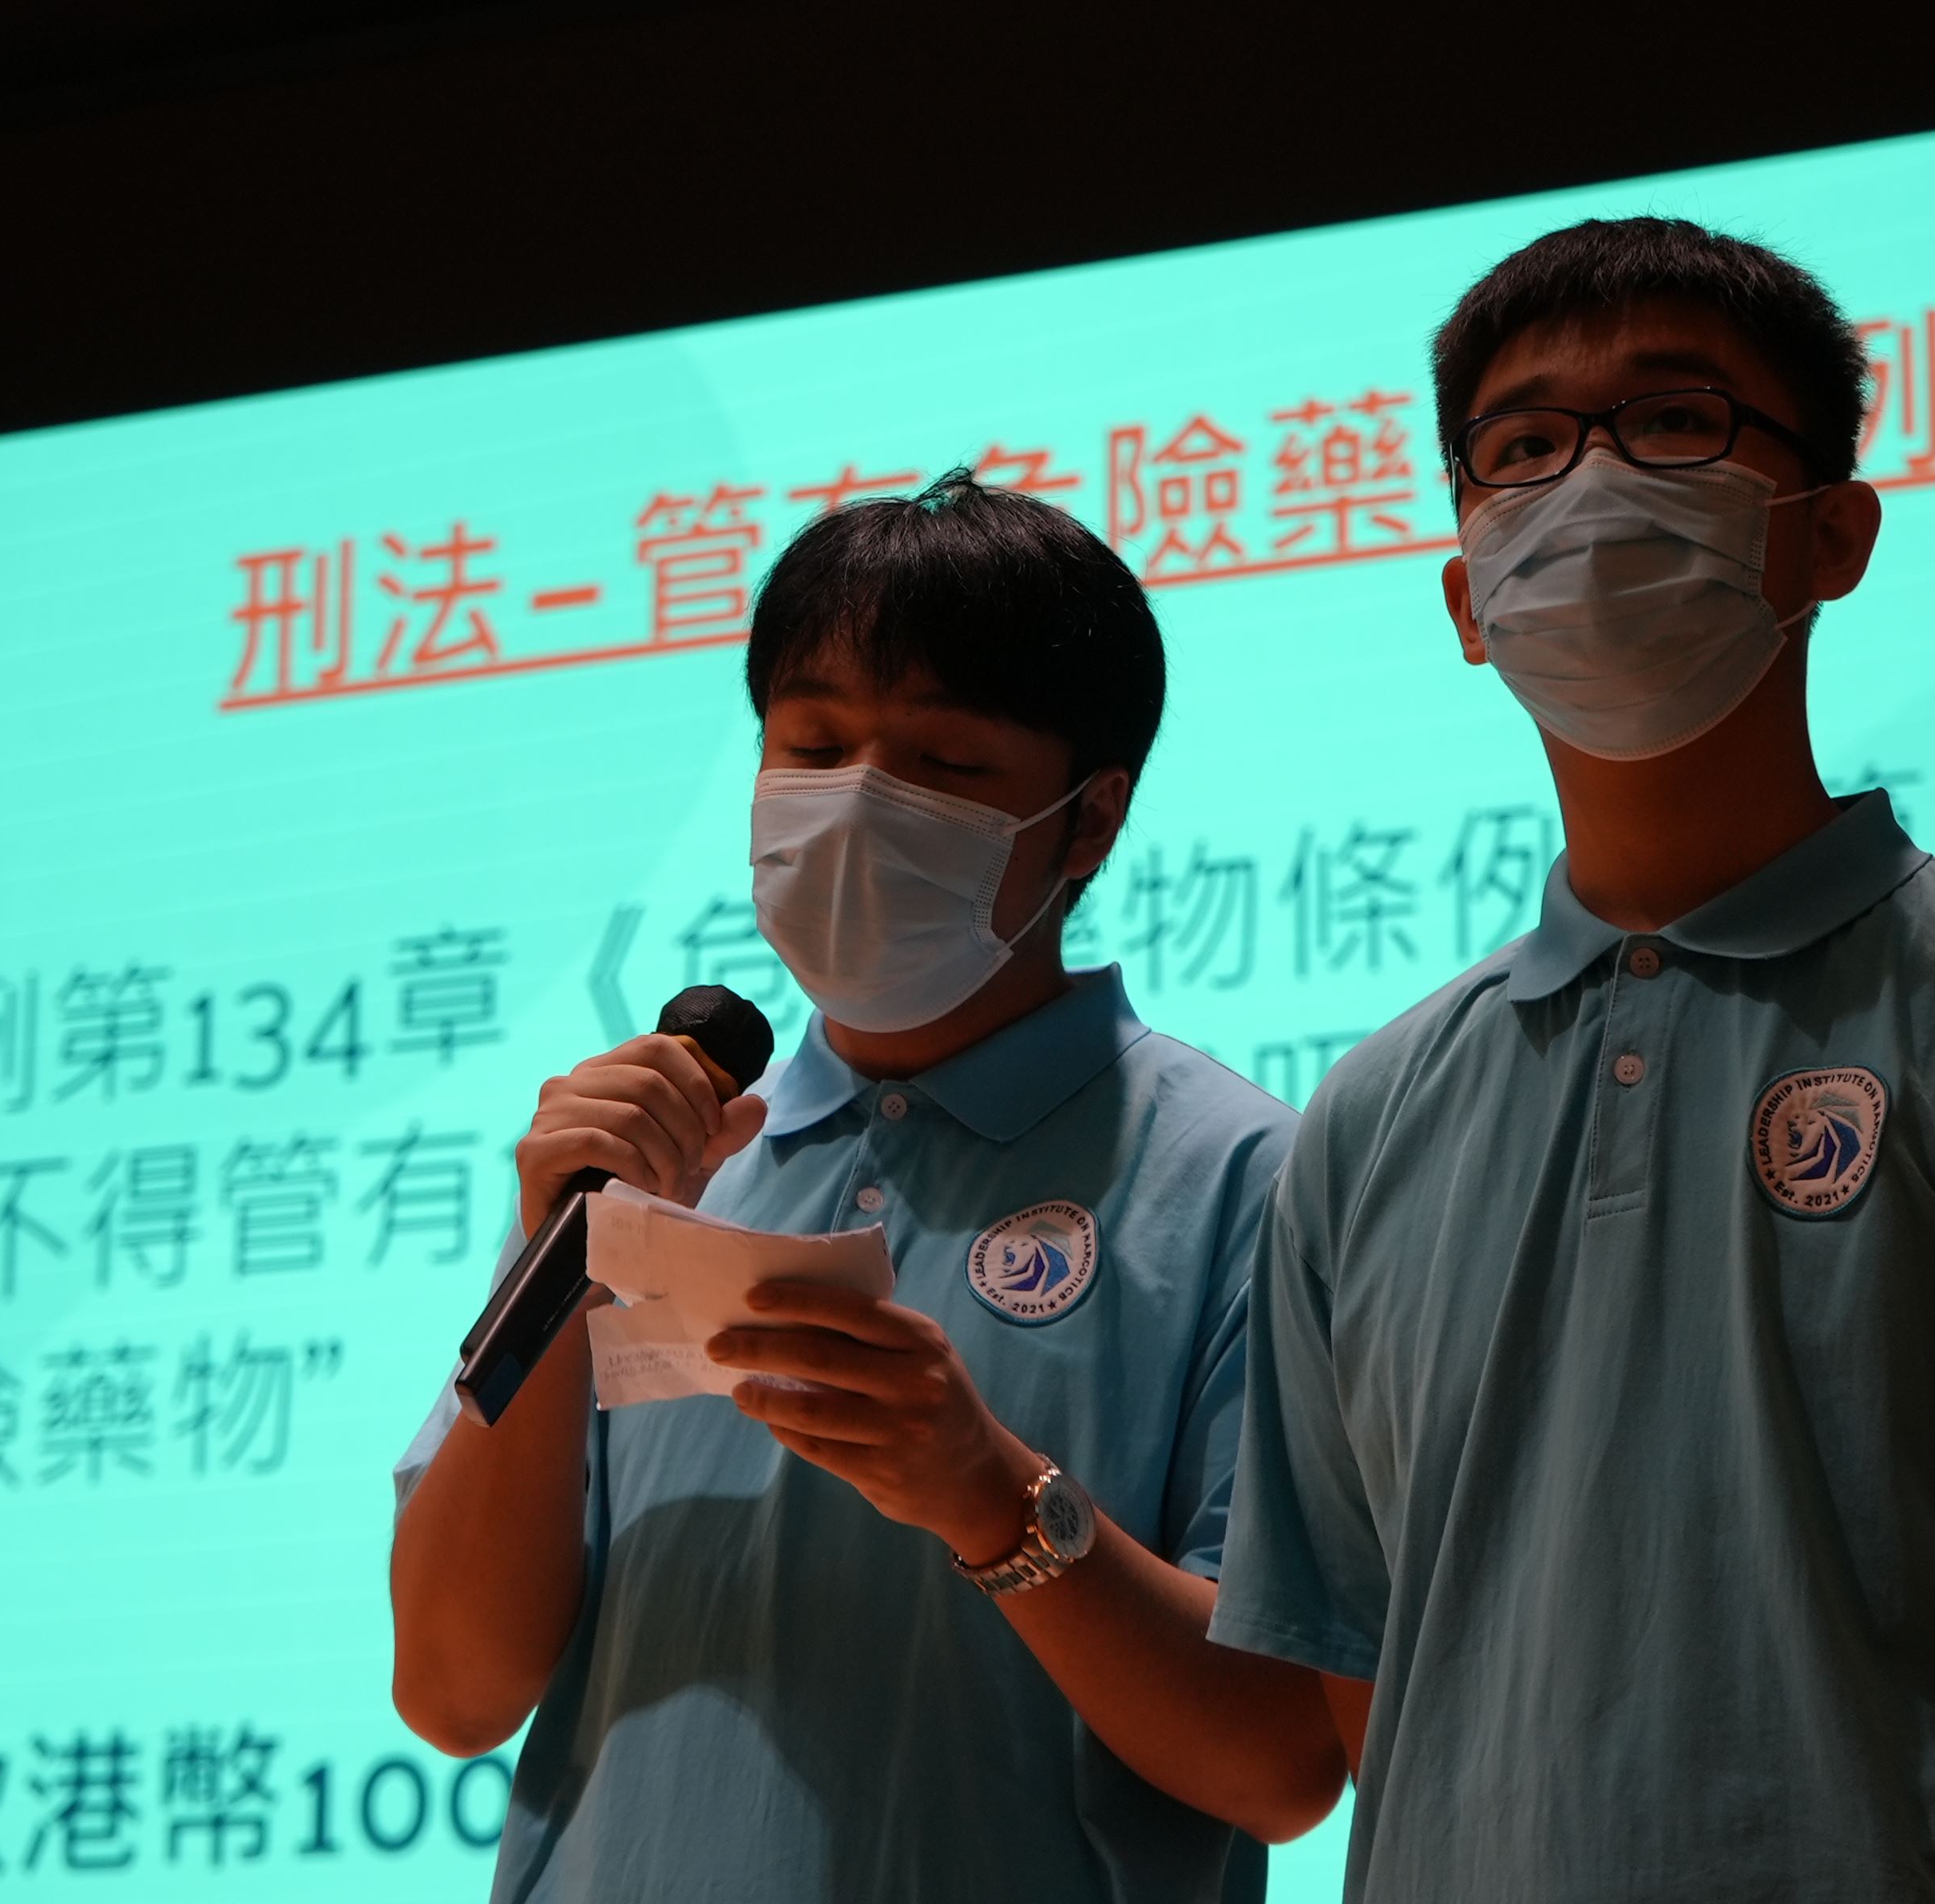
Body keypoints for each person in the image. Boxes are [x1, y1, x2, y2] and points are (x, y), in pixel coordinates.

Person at [388, 469, 1346, 1902]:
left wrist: (992, 1499)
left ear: (1089, 823)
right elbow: (453, 1690)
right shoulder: (666, 1161)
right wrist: (558, 1264)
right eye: (816, 746)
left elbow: (1281, 1764)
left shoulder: (1244, 1176)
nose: (853, 810)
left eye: (942, 766)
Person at [1207, 217, 1935, 1902]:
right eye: (1520, 449)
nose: (1589, 485)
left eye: (1673, 422)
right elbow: (1368, 1677)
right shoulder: (1364, 1118)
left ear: (1831, 534)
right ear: (1466, 596)